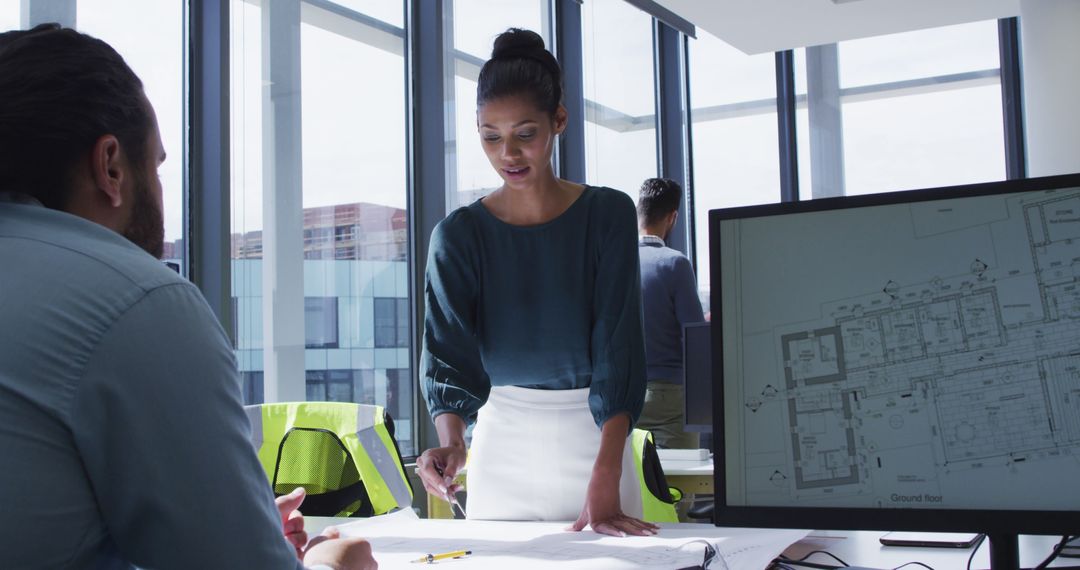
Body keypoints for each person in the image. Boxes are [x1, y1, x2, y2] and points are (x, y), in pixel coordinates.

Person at [0, 24, 376, 570]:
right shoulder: (137, 301)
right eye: (154, 164)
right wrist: (330, 562)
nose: (158, 189)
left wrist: (234, 524)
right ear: (110, 166)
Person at [414, 28, 658, 538]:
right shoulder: (456, 236)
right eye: (491, 136)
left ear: (558, 122)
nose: (509, 153)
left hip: (597, 447)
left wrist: (607, 470)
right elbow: (447, 355)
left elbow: (619, 348)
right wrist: (452, 441)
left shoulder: (607, 214)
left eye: (525, 133)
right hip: (500, 451)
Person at [635, 178, 705, 451]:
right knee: (677, 485)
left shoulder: (614, 262)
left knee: (634, 485)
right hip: (670, 395)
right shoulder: (674, 263)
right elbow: (694, 334)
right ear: (672, 217)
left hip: (626, 394)